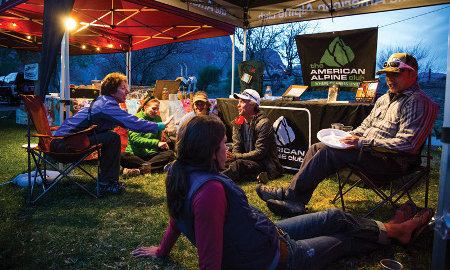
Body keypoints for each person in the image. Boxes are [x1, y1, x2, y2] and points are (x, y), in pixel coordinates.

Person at [132, 116, 434, 270]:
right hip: (279, 257)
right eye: (223, 144)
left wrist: (161, 251)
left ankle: (395, 229)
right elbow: (210, 263)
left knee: (333, 215)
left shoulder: (177, 172)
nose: (227, 149)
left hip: (268, 235)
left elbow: (175, 219)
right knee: (344, 241)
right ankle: (398, 231)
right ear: (209, 151)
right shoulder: (210, 192)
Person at [256, 53, 439, 216]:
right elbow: (365, 126)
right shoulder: (384, 99)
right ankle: (296, 202)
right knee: (317, 147)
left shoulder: (419, 102)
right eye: (387, 74)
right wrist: (342, 137)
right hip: (368, 152)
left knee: (330, 153)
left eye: (396, 74)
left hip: (391, 162)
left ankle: (288, 194)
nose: (390, 79)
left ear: (413, 74)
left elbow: (408, 144)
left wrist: (362, 142)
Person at [50, 73, 173, 194]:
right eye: (123, 88)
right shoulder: (106, 105)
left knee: (110, 136)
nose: (127, 92)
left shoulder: (101, 102)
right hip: (64, 145)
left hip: (60, 142)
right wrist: (161, 125)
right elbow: (132, 122)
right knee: (112, 137)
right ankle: (107, 184)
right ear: (112, 91)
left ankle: (109, 181)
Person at [222, 89, 284, 183]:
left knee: (238, 165)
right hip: (245, 160)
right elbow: (236, 148)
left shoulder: (263, 123)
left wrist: (235, 157)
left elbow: (260, 153)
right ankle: (256, 176)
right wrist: (233, 157)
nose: (238, 105)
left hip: (263, 162)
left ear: (252, 104)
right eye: (239, 102)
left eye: (242, 102)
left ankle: (217, 181)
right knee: (223, 161)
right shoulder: (238, 122)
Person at [120, 97, 175, 173]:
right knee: (122, 156)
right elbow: (135, 140)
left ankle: (139, 170)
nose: (156, 111)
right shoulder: (136, 119)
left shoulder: (158, 119)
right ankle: (156, 167)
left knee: (170, 153)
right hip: (137, 155)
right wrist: (157, 143)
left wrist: (161, 145)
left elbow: (158, 138)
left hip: (152, 155)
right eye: (153, 109)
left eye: (157, 109)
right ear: (145, 107)